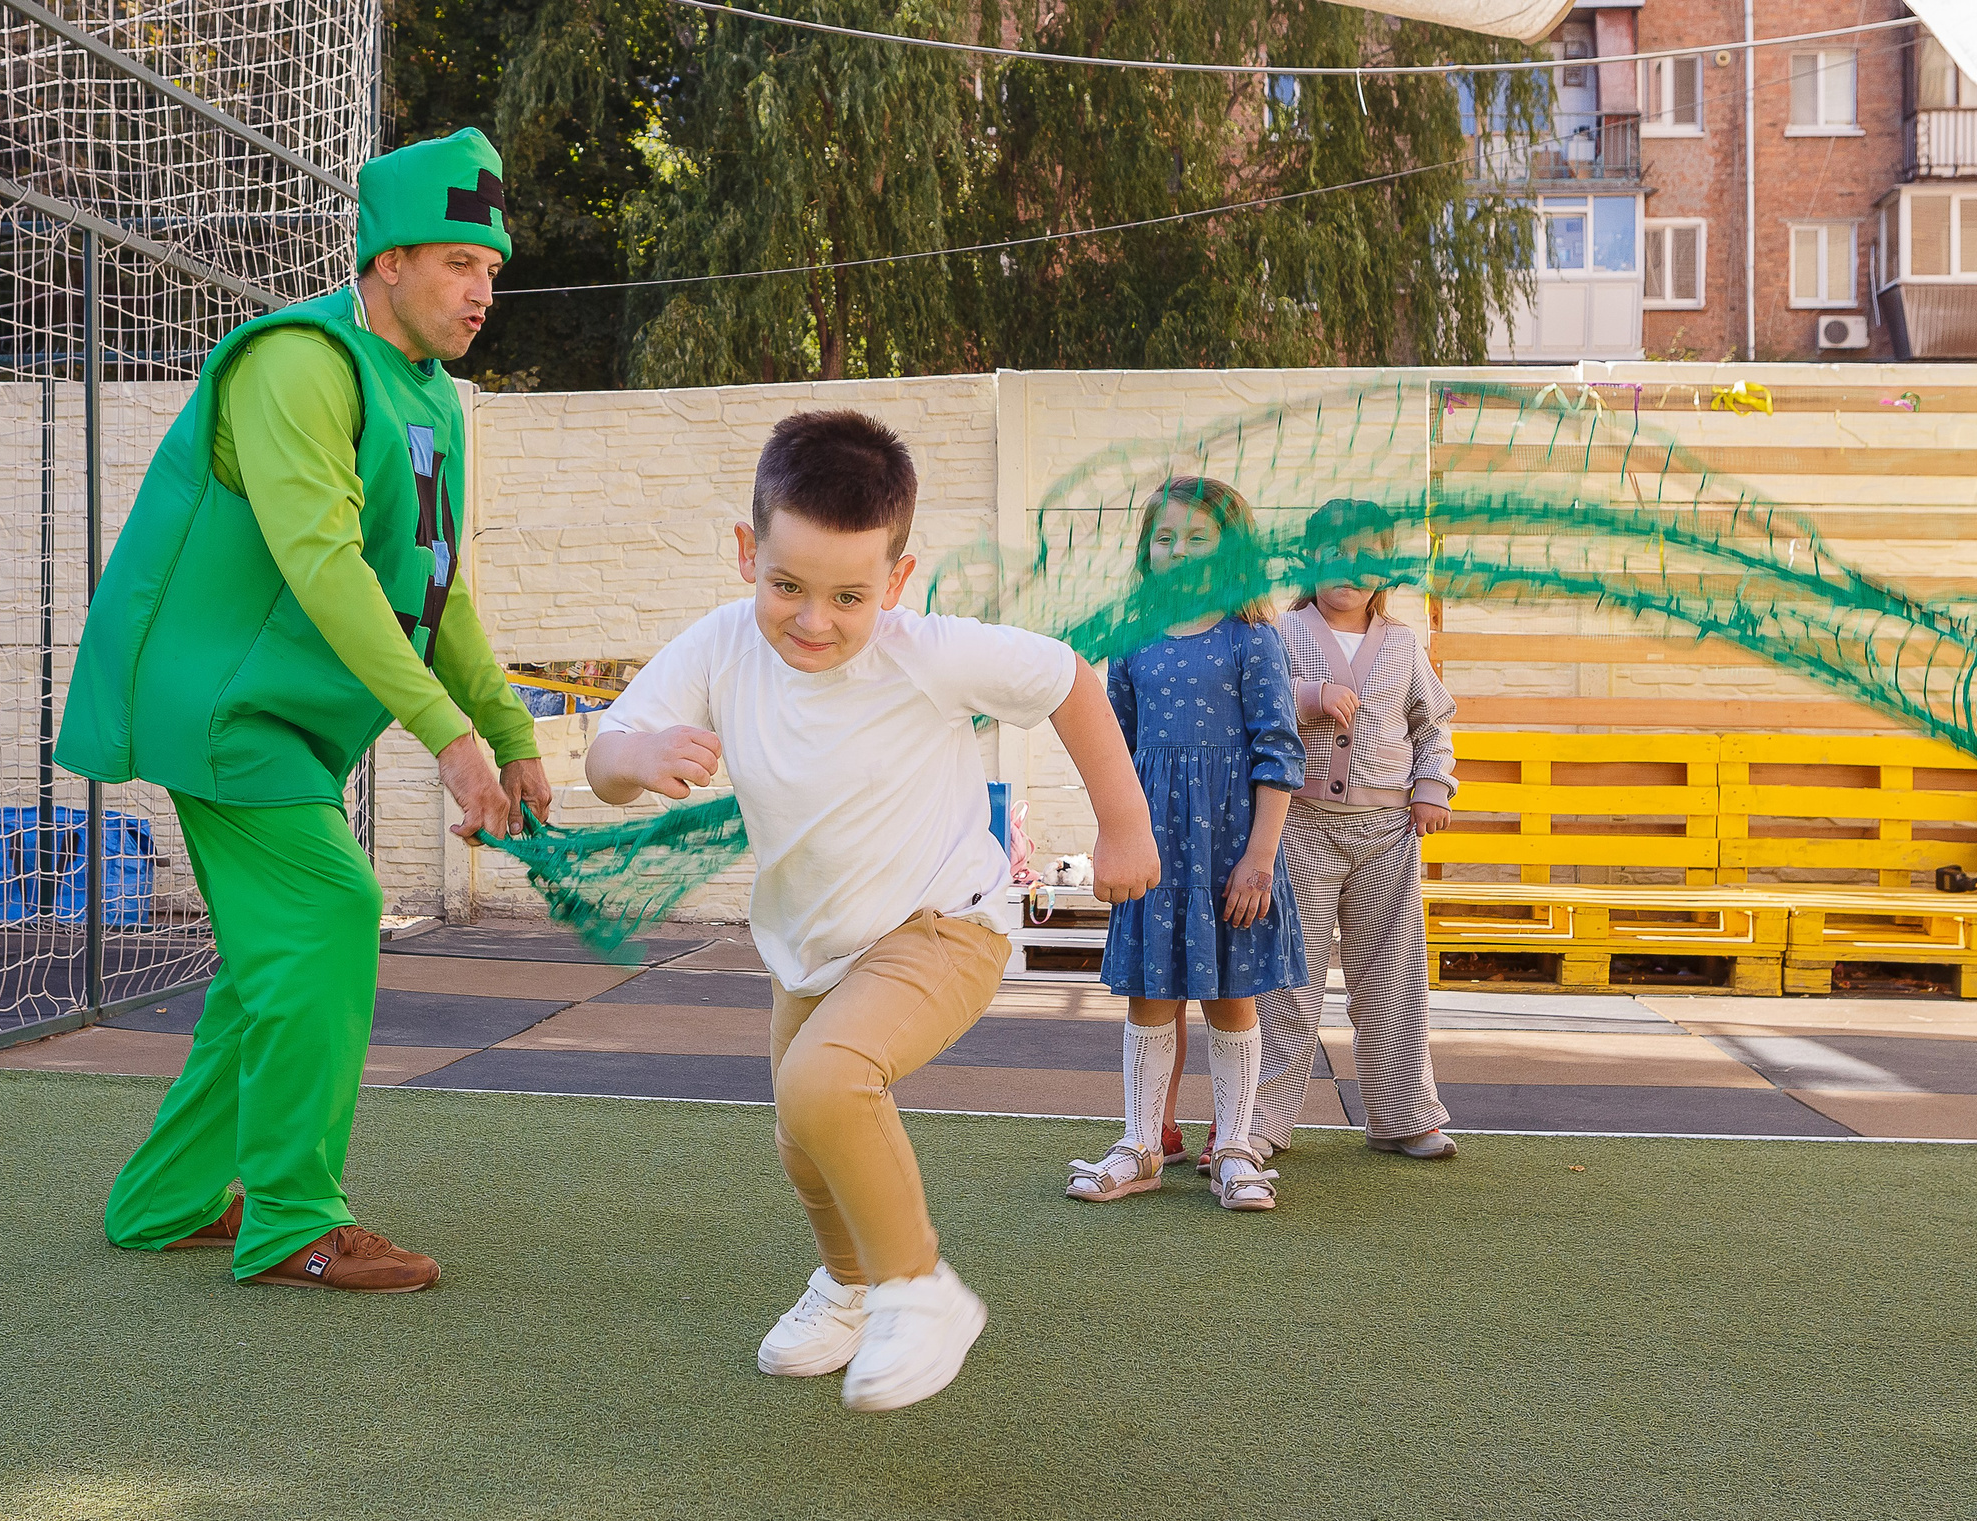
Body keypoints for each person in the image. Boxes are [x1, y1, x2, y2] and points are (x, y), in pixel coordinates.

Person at [584, 410, 1157, 1411]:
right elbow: (606, 756)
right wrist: (634, 756)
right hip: (809, 948)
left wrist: (1125, 828)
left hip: (944, 924)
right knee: (803, 1135)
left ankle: (917, 1289)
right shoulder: (720, 646)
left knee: (825, 1082)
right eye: (787, 587)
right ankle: (847, 1284)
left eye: (849, 595)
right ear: (745, 554)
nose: (813, 620)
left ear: (896, 581)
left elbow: (1065, 677)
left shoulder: (922, 652)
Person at [60, 129, 547, 1293]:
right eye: (454, 263)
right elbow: (324, 564)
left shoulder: (431, 394)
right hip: (215, 703)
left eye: (491, 270)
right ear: (385, 262)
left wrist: (514, 734)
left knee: (272, 963)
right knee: (332, 908)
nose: (480, 291)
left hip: (279, 715)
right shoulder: (298, 364)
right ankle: (290, 1220)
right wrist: (448, 736)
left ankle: (166, 1200)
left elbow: (430, 581)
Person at [1067, 476, 1307, 1212]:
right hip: (1156, 851)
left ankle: (1234, 1145)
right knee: (1151, 995)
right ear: (1147, 552)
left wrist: (1260, 859)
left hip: (1231, 852)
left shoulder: (1252, 639)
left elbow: (1278, 752)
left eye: (1198, 539)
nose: (1178, 551)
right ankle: (1141, 1144)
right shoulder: (1133, 640)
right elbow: (1114, 748)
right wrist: (1116, 837)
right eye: (1165, 539)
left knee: (1232, 998)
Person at [1249, 499, 1458, 1163]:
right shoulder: (1279, 633)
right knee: (1287, 982)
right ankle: (1262, 1121)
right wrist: (1307, 697)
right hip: (1299, 827)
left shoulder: (1401, 645)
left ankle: (1403, 1114)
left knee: (1394, 977)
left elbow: (1432, 724)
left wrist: (1431, 788)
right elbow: (1252, 705)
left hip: (1388, 833)